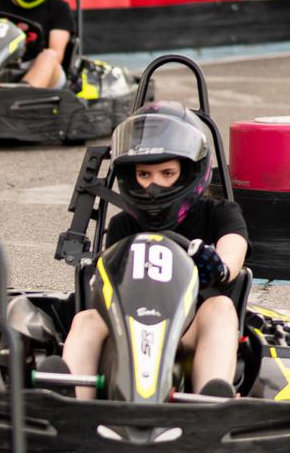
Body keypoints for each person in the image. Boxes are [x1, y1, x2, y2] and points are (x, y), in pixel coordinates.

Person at [60, 104, 248, 401]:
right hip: (127, 330)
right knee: (86, 319)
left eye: (167, 173)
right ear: (131, 177)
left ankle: (212, 401)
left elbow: (234, 251)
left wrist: (219, 266)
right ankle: (69, 402)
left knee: (221, 308)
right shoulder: (124, 224)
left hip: (186, 330)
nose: (154, 185)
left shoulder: (219, 213)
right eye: (144, 174)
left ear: (188, 172)